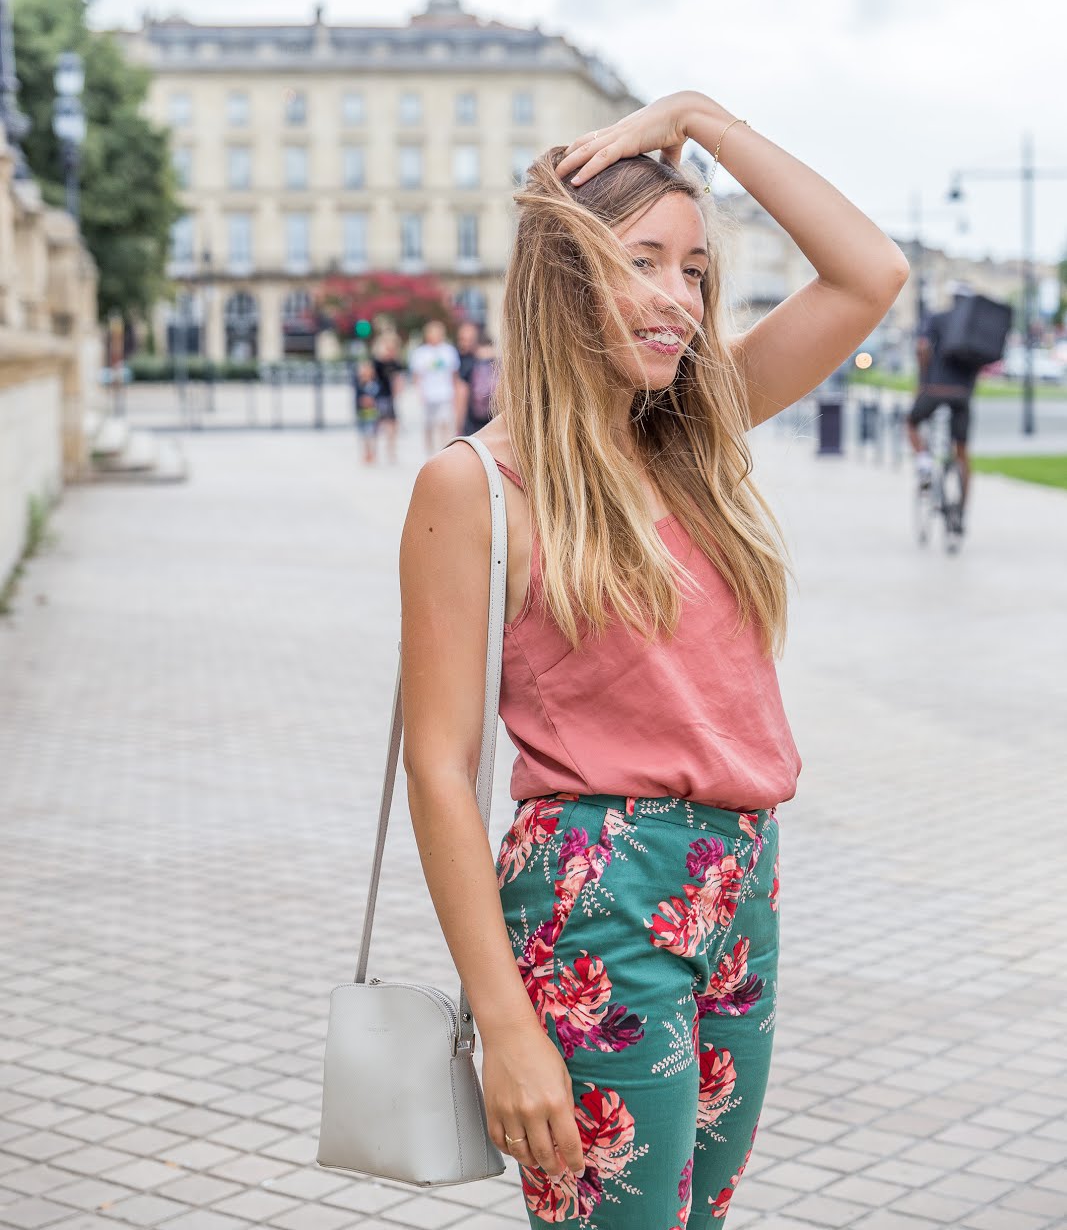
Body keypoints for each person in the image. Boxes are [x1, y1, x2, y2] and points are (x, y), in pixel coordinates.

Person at [399, 91, 908, 1226]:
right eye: (643, 262)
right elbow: (438, 767)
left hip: (738, 882)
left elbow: (867, 273)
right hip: (596, 899)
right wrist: (506, 1022)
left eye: (694, 271)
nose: (679, 299)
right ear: (564, 278)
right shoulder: (474, 487)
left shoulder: (689, 431)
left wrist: (701, 121)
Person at [906, 283, 982, 526]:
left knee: (911, 423)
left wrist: (922, 381)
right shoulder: (975, 328)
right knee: (962, 453)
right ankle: (961, 510)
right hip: (962, 394)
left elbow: (922, 348)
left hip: (935, 389)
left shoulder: (937, 318)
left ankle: (925, 464)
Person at [409, 319, 461, 455]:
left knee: (444, 423)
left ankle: (444, 450)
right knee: (428, 424)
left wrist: (456, 392)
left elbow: (454, 374)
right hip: (428, 394)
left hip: (445, 393)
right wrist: (419, 392)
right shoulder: (420, 353)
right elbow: (417, 375)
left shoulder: (449, 351)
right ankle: (429, 450)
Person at [457, 333, 500, 437]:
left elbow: (461, 395)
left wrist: (459, 424)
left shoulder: (470, 364)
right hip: (495, 419)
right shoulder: (500, 364)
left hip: (473, 421)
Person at [372, 332, 405, 464]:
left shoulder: (395, 362)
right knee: (377, 425)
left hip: (390, 397)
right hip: (378, 396)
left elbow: (399, 378)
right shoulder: (377, 362)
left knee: (392, 425)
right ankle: (373, 451)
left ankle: (391, 451)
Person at [353, 358, 381, 464]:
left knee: (372, 434)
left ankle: (373, 453)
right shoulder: (358, 384)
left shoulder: (375, 383)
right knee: (364, 434)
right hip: (362, 413)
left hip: (373, 413)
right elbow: (357, 398)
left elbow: (377, 396)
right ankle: (366, 453)